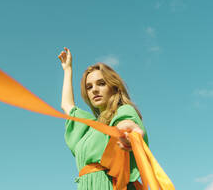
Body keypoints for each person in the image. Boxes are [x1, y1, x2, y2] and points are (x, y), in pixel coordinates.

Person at [58, 47, 149, 190]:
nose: (94, 90)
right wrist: (67, 69)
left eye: (101, 83)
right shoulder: (89, 127)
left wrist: (127, 131)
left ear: (114, 87)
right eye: (89, 87)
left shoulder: (122, 111)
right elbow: (67, 105)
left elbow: (126, 122)